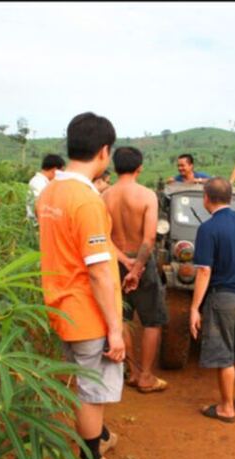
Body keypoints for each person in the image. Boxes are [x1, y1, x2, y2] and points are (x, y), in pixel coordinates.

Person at [36, 112, 128, 459]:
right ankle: (91, 458)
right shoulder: (87, 202)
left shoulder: (50, 190)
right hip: (86, 311)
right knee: (92, 389)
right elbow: (99, 270)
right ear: (104, 151)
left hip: (58, 302)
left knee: (82, 377)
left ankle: (100, 435)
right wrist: (116, 330)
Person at [190, 177, 235, 423]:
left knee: (224, 353)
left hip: (222, 298)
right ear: (230, 197)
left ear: (206, 198)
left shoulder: (208, 229)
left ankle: (225, 408)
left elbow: (204, 271)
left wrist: (194, 308)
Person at [102, 146, 169, 394]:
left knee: (122, 319)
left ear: (116, 166)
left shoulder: (104, 197)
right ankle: (146, 376)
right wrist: (137, 267)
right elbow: (149, 238)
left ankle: (130, 372)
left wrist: (124, 261)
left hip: (114, 261)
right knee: (152, 321)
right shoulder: (146, 195)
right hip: (141, 263)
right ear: (139, 167)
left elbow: (103, 237)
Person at [27, 153, 65, 225]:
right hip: (38, 227)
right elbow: (39, 207)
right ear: (55, 170)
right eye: (61, 172)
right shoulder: (38, 183)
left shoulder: (43, 182)